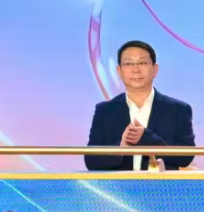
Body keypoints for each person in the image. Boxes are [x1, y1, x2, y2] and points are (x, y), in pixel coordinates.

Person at [84, 40, 195, 171]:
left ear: (155, 70)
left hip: (161, 183)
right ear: (119, 71)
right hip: (117, 184)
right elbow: (91, 161)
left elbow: (186, 157)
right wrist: (121, 148)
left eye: (142, 63)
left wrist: (149, 139)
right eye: (128, 64)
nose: (136, 70)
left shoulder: (178, 110)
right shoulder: (104, 111)